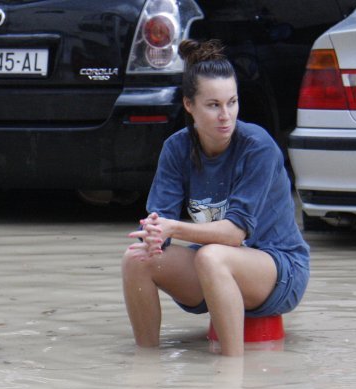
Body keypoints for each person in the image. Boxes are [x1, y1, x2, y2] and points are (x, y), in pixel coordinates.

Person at [121, 39, 310, 357]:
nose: (226, 115)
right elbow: (159, 223)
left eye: (232, 102)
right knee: (135, 259)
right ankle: (147, 367)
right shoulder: (176, 148)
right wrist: (154, 238)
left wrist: (171, 229)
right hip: (214, 267)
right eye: (213, 105)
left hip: (280, 270)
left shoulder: (257, 147)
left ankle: (230, 372)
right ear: (189, 105)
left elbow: (234, 235)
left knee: (213, 255)